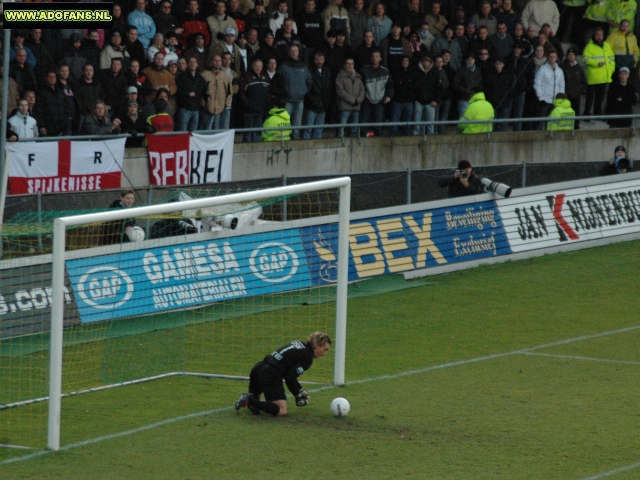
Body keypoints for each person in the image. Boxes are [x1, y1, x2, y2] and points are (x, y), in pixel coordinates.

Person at [234, 332, 332, 416]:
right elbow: (290, 377)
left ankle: (251, 401)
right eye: (325, 349)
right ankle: (248, 400)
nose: (324, 354)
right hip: (270, 374)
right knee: (282, 410)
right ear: (317, 345)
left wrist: (298, 390)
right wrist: (298, 392)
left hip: (258, 368)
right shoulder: (307, 358)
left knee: (256, 406)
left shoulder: (299, 344)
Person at [279, 45, 313, 139]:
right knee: (284, 124)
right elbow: (278, 81)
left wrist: (304, 92)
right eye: (292, 51)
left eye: (296, 51)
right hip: (287, 100)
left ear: (299, 52)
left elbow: (309, 81)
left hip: (300, 100)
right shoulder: (283, 66)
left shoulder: (304, 66)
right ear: (289, 52)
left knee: (297, 126)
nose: (294, 53)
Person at [582, 28, 615, 119]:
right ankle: (587, 114)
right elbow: (585, 59)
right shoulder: (590, 46)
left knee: (600, 98)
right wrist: (596, 63)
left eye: (601, 35)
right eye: (597, 35)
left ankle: (597, 114)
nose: (599, 37)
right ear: (594, 35)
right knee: (590, 97)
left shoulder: (607, 45)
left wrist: (611, 70)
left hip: (604, 76)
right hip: (594, 76)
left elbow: (612, 59)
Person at [360, 49, 394, 136]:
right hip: (367, 100)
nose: (375, 58)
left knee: (379, 122)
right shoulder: (364, 70)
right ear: (371, 58)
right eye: (373, 56)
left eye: (377, 56)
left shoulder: (385, 71)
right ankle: (362, 140)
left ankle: (378, 140)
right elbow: (360, 86)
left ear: (380, 59)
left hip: (380, 100)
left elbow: (390, 86)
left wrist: (388, 96)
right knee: (364, 122)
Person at [303, 51, 333, 139]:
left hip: (323, 104)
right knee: (308, 128)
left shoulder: (327, 71)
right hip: (311, 105)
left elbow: (329, 87)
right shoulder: (309, 70)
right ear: (313, 60)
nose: (319, 61)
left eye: (321, 59)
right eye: (317, 59)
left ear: (324, 60)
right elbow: (307, 88)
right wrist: (311, 99)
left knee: (319, 129)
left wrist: (326, 101)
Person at [239, 58, 270, 142]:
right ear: (252, 66)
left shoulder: (265, 77)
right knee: (248, 131)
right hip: (249, 110)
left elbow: (268, 93)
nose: (258, 68)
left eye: (260, 66)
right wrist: (248, 104)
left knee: (257, 130)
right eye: (256, 66)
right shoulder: (246, 77)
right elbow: (241, 93)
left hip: (260, 109)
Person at [200, 54, 233, 130]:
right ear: (211, 62)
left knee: (219, 131)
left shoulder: (225, 76)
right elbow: (200, 92)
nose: (217, 62)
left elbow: (230, 92)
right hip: (207, 109)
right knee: (206, 130)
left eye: (219, 61)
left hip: (221, 108)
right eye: (215, 60)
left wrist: (225, 104)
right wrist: (204, 104)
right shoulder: (204, 75)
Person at [533, 48, 564, 130]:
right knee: (539, 123)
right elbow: (537, 84)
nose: (552, 59)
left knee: (551, 123)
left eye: (554, 57)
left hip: (555, 102)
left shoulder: (560, 71)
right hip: (544, 101)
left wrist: (561, 98)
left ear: (556, 58)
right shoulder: (542, 69)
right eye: (550, 57)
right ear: (548, 57)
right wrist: (541, 98)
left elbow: (561, 85)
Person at [175, 57, 207, 131]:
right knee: (182, 132)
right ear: (187, 65)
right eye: (190, 62)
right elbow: (177, 91)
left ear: (197, 64)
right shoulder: (181, 77)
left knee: (193, 133)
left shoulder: (200, 78)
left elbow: (204, 91)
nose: (192, 64)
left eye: (194, 62)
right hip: (184, 108)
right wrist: (187, 94)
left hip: (196, 109)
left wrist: (207, 93)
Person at [335, 57, 365, 138]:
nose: (350, 66)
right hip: (344, 107)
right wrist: (353, 100)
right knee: (341, 129)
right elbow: (340, 91)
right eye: (348, 64)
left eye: (352, 64)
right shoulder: (340, 76)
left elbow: (362, 91)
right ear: (344, 65)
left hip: (356, 108)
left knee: (354, 130)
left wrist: (358, 100)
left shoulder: (358, 77)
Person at [560, 48, 587, 129]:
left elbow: (584, 81)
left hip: (576, 95)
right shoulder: (563, 67)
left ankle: (576, 126)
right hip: (566, 95)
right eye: (569, 54)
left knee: (576, 111)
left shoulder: (579, 68)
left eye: (573, 55)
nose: (571, 56)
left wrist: (581, 90)